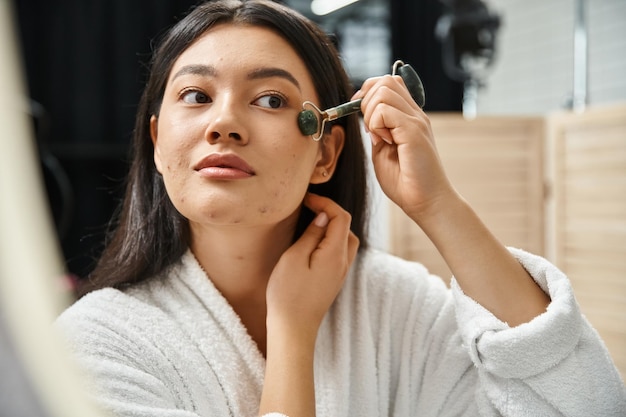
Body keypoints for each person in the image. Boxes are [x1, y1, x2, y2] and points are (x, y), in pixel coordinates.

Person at [55, 1, 626, 416]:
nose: (223, 122)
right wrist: (293, 336)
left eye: (271, 99)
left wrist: (438, 206)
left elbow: (581, 407)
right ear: (157, 141)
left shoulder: (399, 307)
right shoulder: (96, 345)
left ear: (326, 150)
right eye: (196, 96)